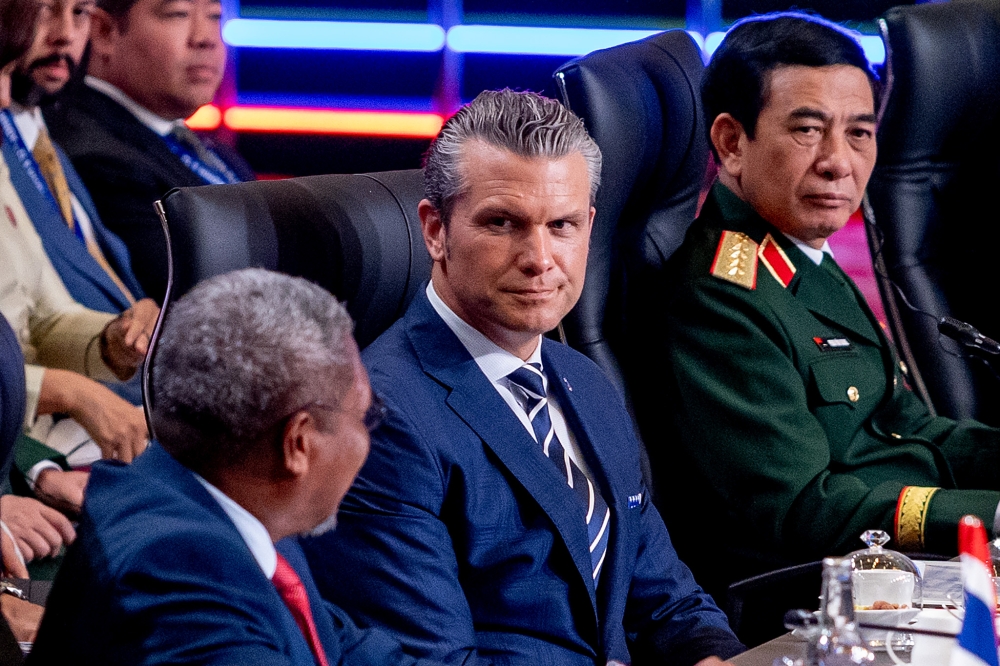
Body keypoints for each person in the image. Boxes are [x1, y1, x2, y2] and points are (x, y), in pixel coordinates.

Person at [303, 90, 744, 666]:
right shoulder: (381, 419)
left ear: (589, 227)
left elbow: (668, 603)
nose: (540, 257)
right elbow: (433, 662)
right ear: (435, 230)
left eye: (561, 225)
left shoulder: (583, 379)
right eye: (503, 223)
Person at [645, 13, 1000, 600]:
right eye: (808, 131)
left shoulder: (801, 251)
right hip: (818, 593)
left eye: (859, 133)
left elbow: (908, 428)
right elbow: (803, 509)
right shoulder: (720, 295)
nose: (839, 162)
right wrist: (988, 514)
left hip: (898, 562)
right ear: (732, 142)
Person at [29, 268, 445, 665]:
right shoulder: (181, 595)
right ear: (297, 443)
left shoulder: (218, 493)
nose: (367, 440)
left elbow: (339, 647)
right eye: (364, 416)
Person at [46, 0, 254, 302]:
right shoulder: (95, 156)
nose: (206, 38)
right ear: (104, 31)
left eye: (214, 17)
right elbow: (202, 298)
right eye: (178, 14)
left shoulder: (212, 151)